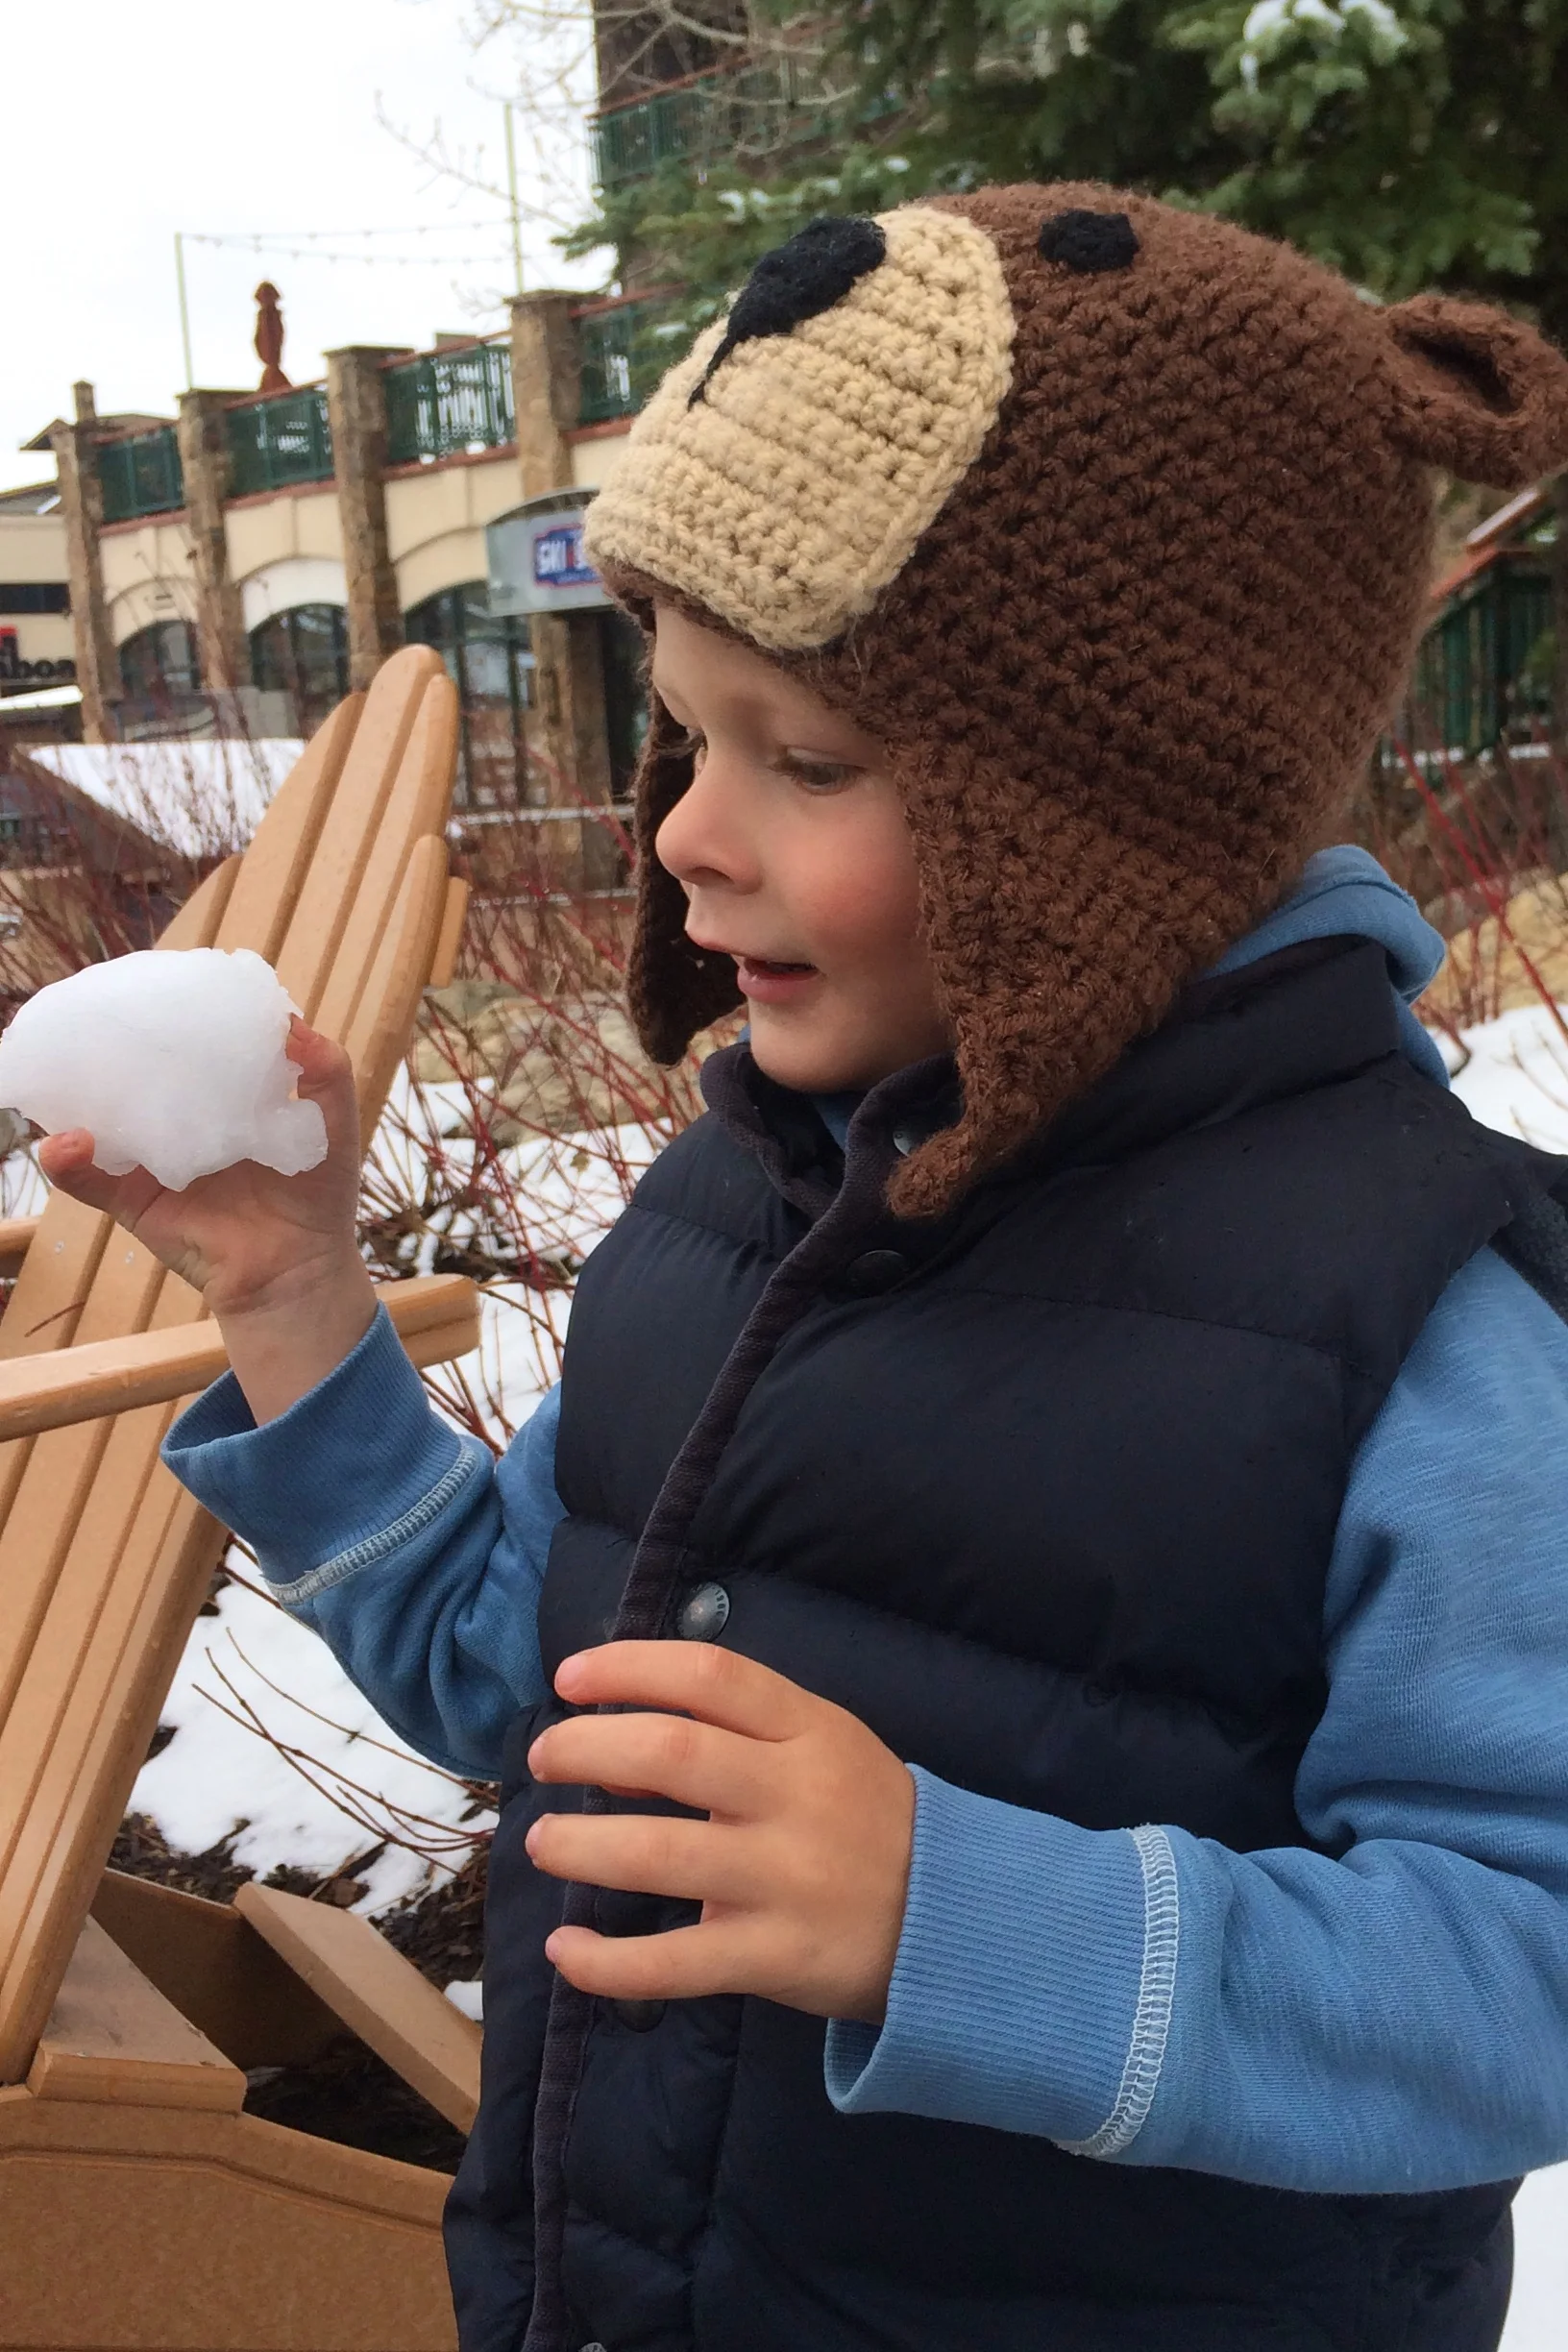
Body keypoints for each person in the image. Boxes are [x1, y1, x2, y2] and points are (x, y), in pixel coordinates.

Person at [41, 185, 1568, 2352]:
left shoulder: (1414, 1318)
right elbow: (529, 1686)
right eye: (686, 727)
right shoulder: (744, 1210)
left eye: (811, 758)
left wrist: (960, 1918)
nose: (682, 829)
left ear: (1115, 811)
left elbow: (1527, 1961)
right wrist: (296, 1302)